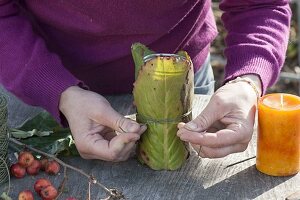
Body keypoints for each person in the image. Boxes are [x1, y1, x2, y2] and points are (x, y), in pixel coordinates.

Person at [0, 1, 291, 161]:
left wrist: (247, 83)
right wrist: (57, 91)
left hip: (185, 92)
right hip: (38, 87)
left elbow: (259, 5)